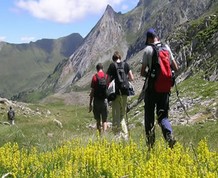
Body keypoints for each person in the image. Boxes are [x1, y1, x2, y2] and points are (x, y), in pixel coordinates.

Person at [140, 28, 179, 149]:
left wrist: (151, 75)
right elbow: (176, 68)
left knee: (149, 117)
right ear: (157, 36)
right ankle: (169, 137)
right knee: (163, 116)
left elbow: (142, 72)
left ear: (149, 38)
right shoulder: (166, 48)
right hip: (165, 89)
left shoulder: (148, 50)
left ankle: (150, 146)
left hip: (152, 89)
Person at [107, 51, 134, 140]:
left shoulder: (112, 66)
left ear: (113, 58)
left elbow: (107, 80)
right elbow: (131, 78)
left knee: (116, 115)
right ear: (120, 57)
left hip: (116, 93)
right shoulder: (126, 65)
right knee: (122, 115)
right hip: (125, 92)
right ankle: (125, 136)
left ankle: (117, 137)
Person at [89, 63, 108, 134]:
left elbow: (92, 92)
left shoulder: (94, 77)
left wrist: (90, 103)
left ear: (97, 69)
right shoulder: (106, 76)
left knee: (98, 120)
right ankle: (105, 134)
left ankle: (99, 135)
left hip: (96, 101)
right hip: (104, 100)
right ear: (102, 68)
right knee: (105, 120)